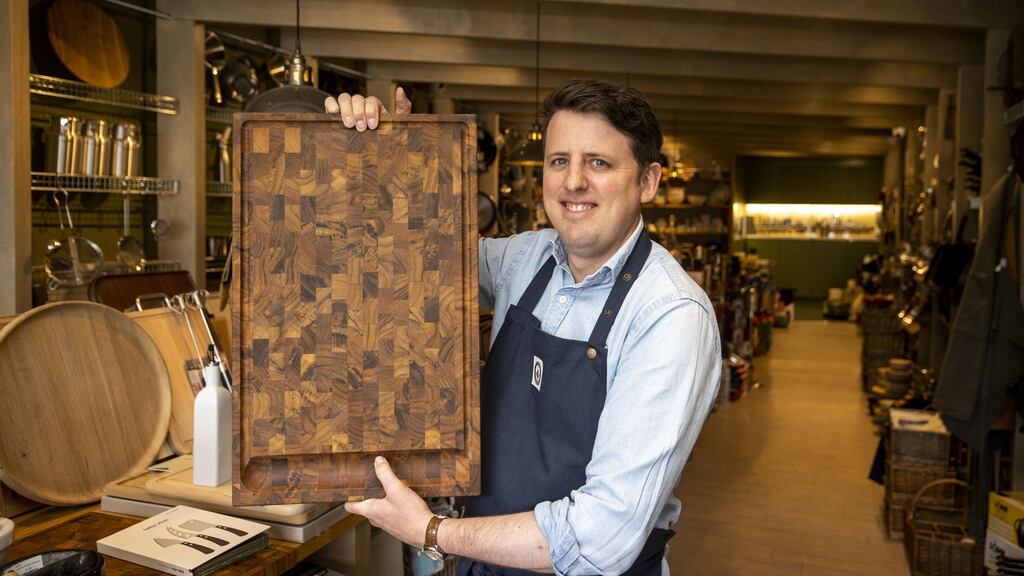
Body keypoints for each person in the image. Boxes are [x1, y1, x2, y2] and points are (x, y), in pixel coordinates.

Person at [325, 79, 720, 575]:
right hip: (485, 562)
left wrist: (432, 532)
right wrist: (390, 152)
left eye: (599, 162)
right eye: (559, 161)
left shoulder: (669, 314)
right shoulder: (524, 258)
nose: (573, 182)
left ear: (648, 181)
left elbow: (603, 539)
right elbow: (407, 255)